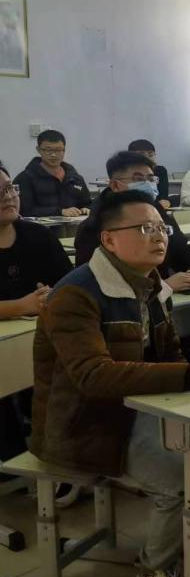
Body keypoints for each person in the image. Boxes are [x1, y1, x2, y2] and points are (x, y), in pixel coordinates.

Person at [30, 190, 190, 577]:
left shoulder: (151, 285)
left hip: (136, 408)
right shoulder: (75, 295)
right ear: (109, 240)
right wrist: (187, 377)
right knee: (180, 477)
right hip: (84, 425)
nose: (159, 236)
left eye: (161, 227)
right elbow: (93, 377)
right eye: (145, 228)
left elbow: (168, 354)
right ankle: (153, 572)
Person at [0, 161, 73, 465]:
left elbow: (69, 283)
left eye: (9, 188)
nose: (8, 197)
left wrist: (51, 296)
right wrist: (23, 306)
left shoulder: (37, 236)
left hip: (41, 336)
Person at [75, 151, 190, 292]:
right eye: (138, 179)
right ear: (115, 185)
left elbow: (183, 251)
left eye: (151, 179)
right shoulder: (95, 225)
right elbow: (96, 284)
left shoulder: (156, 212)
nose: (148, 184)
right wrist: (162, 287)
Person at [13, 129, 92, 217]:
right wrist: (60, 212)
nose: (53, 155)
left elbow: (88, 203)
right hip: (40, 225)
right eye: (48, 150)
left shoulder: (75, 177)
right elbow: (23, 210)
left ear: (64, 150)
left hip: (75, 224)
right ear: (38, 150)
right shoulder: (25, 178)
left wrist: (86, 208)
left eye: (58, 150)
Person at [127, 139, 171, 209]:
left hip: (156, 209)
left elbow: (163, 198)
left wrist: (163, 203)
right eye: (141, 155)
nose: (147, 158)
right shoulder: (126, 172)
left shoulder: (160, 170)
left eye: (150, 155)